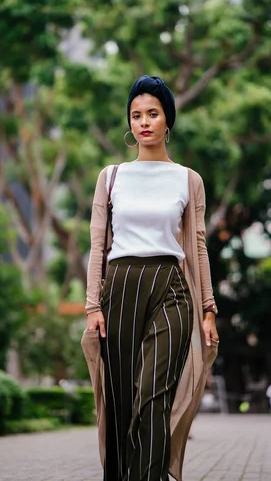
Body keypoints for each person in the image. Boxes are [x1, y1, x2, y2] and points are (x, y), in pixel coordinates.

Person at [81, 76, 219, 481]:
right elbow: (97, 245)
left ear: (167, 121)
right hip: (120, 289)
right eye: (136, 115)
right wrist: (92, 304)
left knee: (152, 396)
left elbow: (197, 248)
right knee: (122, 401)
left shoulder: (187, 179)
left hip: (171, 289)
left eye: (153, 114)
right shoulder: (112, 177)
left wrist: (208, 308)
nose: (144, 122)